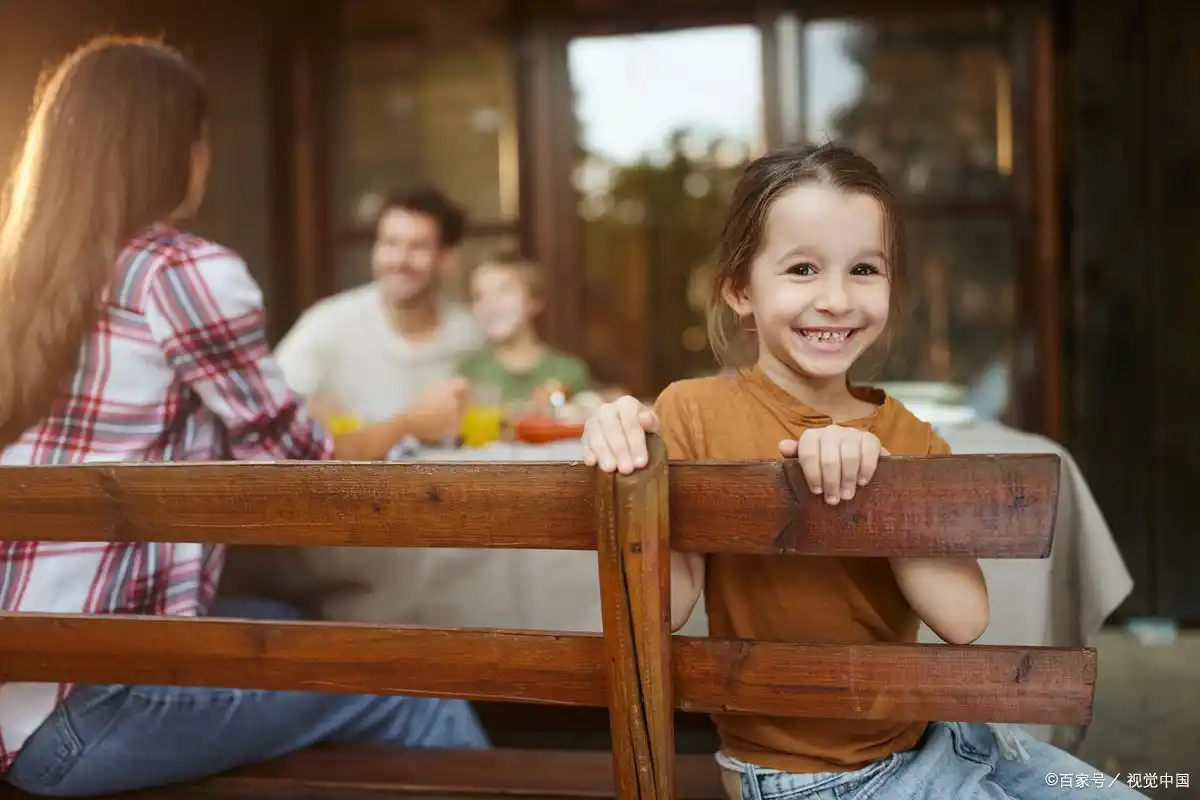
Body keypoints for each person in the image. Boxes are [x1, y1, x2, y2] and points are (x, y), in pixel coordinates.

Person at [0, 36, 487, 798]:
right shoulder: (183, 272)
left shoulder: (20, 273)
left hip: (18, 695)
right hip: (86, 711)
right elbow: (304, 468)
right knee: (416, 679)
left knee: (286, 612)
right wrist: (397, 424)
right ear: (176, 149)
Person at [580, 144, 1142, 800]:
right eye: (802, 269)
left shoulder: (908, 435)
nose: (837, 299)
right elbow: (665, 608)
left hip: (950, 738)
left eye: (865, 269)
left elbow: (964, 619)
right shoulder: (694, 412)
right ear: (739, 288)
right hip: (809, 780)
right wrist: (627, 459)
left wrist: (880, 495)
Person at [274, 187, 484, 445]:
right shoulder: (326, 325)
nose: (399, 260)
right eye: (390, 243)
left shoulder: (472, 333)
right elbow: (269, 411)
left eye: (417, 247)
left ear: (446, 259)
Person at [457, 253, 592, 403]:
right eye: (478, 296)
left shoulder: (567, 371)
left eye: (503, 291)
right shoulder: (468, 374)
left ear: (534, 301)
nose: (489, 304)